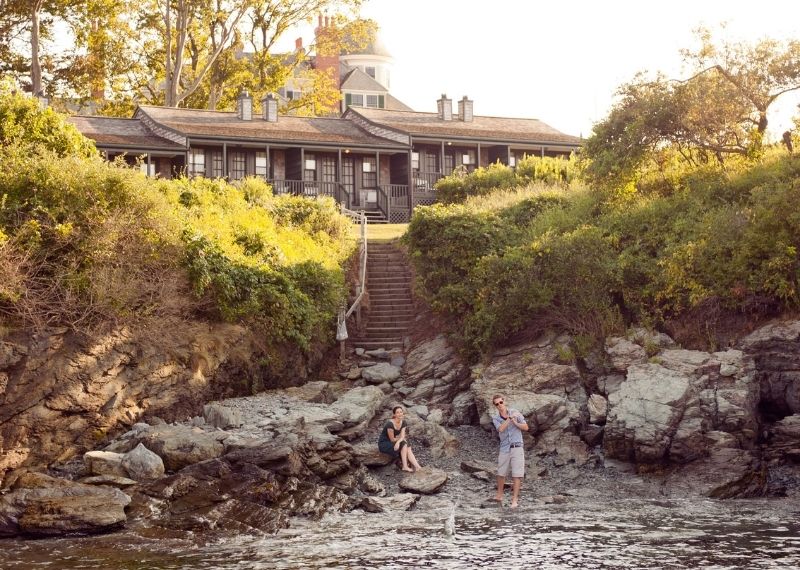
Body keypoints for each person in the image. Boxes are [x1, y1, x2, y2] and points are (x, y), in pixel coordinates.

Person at [491, 393, 528, 508]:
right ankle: (499, 495)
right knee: (501, 473)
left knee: (517, 474)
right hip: (504, 448)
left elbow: (526, 427)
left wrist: (515, 422)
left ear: (504, 401)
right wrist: (509, 419)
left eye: (501, 402)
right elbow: (501, 429)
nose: (500, 405)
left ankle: (514, 500)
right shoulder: (496, 418)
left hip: (517, 447)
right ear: (495, 406)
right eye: (497, 404)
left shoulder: (515, 412)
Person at [377, 406, 422, 472]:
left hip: (394, 441)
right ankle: (406, 466)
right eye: (397, 412)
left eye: (401, 412)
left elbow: (403, 436)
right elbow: (392, 439)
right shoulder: (390, 424)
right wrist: (400, 439)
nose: (400, 414)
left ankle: (417, 466)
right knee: (404, 444)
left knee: (407, 445)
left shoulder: (403, 422)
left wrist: (398, 442)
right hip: (384, 443)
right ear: (394, 415)